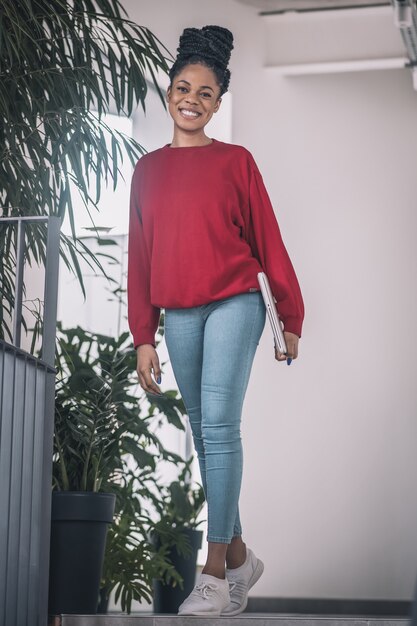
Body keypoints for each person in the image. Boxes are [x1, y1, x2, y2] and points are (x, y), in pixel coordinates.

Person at [127, 24, 304, 617]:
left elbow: (268, 241)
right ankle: (243, 558)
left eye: (205, 93)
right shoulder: (147, 171)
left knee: (221, 427)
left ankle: (213, 574)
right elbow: (141, 256)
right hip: (177, 311)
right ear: (169, 89)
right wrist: (142, 334)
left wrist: (290, 313)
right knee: (204, 433)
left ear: (217, 103)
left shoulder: (236, 162)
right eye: (184, 87)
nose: (192, 99)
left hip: (235, 299)